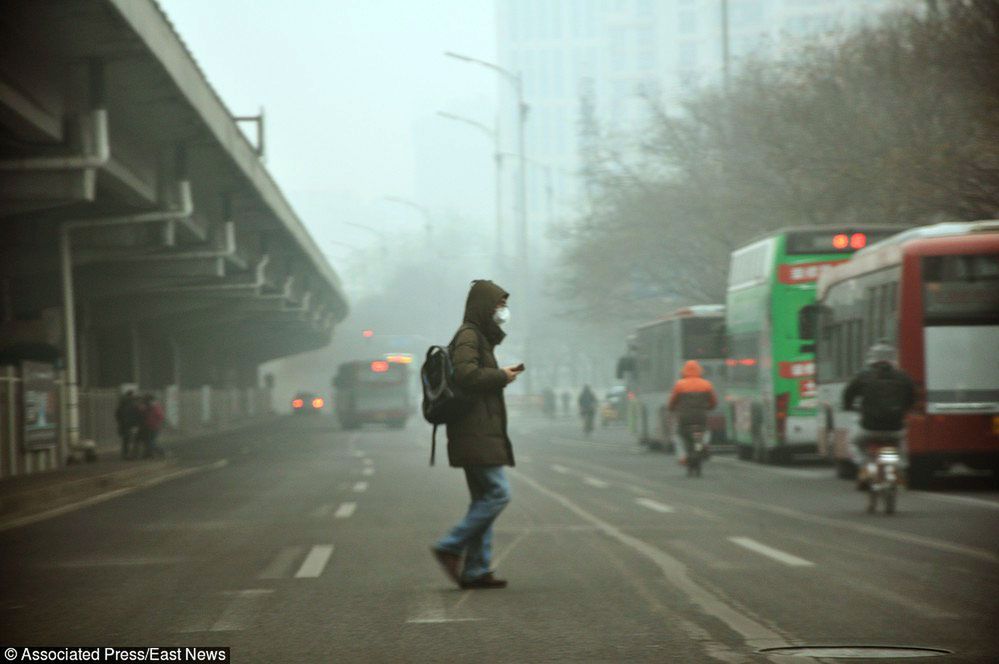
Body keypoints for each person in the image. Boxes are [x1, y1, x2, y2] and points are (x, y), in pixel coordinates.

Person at [432, 280, 523, 590]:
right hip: (474, 430)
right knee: (498, 494)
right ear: (484, 307)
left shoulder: (478, 336)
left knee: (482, 500)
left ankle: (476, 570)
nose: (503, 311)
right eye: (498, 305)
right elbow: (466, 374)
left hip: (476, 430)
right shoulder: (470, 335)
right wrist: (501, 376)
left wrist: (502, 374)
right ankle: (451, 545)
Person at [842, 343, 916, 482]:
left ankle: (864, 466)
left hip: (868, 428)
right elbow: (912, 397)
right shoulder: (903, 377)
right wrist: (904, 410)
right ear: (893, 359)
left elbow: (848, 393)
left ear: (872, 359)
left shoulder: (863, 376)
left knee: (853, 443)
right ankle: (900, 467)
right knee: (901, 442)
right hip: (895, 428)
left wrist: (848, 406)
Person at [667, 360, 719, 461]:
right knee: (706, 431)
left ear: (684, 371)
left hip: (684, 418)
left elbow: (672, 401)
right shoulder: (706, 384)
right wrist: (710, 407)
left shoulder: (679, 385)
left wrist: (672, 409)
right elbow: (713, 401)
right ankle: (704, 444)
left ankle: (683, 457)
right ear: (700, 370)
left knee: (678, 435)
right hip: (701, 416)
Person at [137, 393, 166, 459]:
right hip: (149, 426)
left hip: (154, 427)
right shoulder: (149, 407)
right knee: (147, 441)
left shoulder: (155, 407)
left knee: (151, 442)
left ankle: (161, 451)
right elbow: (142, 411)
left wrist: (156, 423)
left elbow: (161, 417)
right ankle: (148, 454)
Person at [114, 390, 140, 459]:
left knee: (125, 440)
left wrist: (120, 422)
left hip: (123, 425)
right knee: (133, 440)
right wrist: (137, 424)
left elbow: (117, 415)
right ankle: (132, 455)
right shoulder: (134, 404)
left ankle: (125, 454)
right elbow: (137, 415)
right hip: (131, 425)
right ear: (131, 396)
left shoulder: (122, 404)